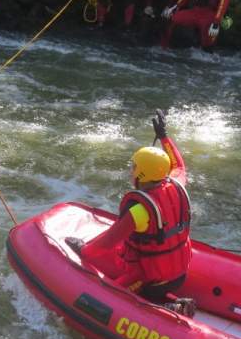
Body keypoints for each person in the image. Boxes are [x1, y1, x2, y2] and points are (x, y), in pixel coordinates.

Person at [67, 111, 194, 313]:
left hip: (150, 281)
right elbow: (178, 164)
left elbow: (107, 242)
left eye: (134, 167)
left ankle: (169, 307)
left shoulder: (141, 210)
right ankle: (169, 301)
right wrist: (164, 137)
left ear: (142, 173)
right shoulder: (177, 184)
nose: (131, 170)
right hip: (180, 273)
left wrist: (83, 250)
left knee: (110, 294)